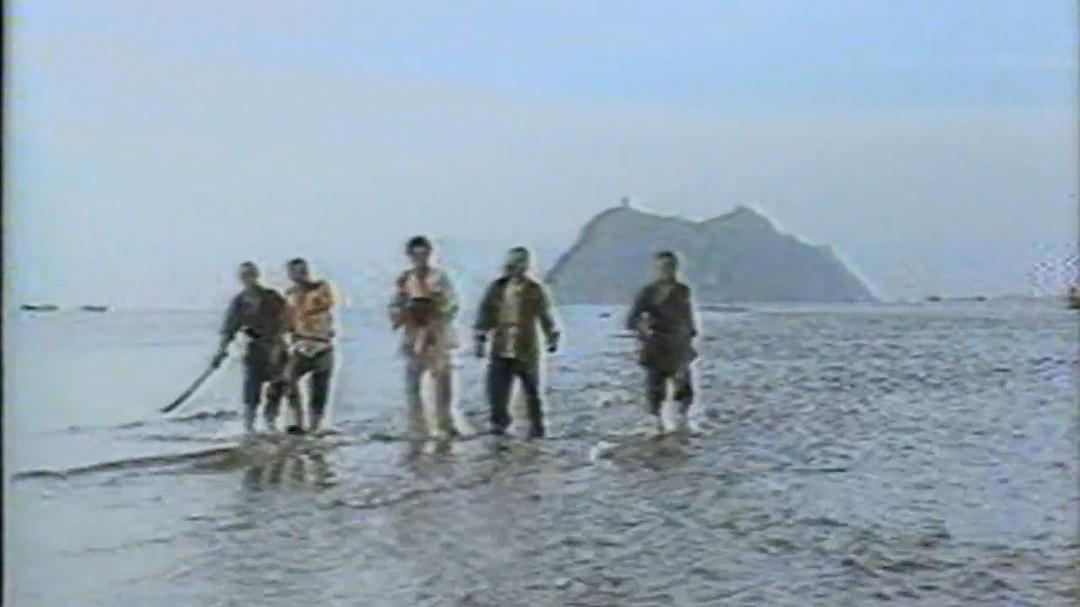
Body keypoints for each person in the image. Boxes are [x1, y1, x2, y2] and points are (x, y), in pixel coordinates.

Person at [474, 247, 560, 438]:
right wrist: (480, 338)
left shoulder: (535, 289)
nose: (514, 268)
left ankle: (537, 428)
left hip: (526, 348)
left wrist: (551, 336)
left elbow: (545, 314)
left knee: (532, 390)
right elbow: (485, 314)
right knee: (497, 390)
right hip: (501, 347)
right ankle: (499, 426)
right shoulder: (496, 288)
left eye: (519, 264)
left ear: (526, 266)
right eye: (511, 264)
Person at [388, 236, 460, 438]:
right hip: (413, 334)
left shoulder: (440, 277)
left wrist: (436, 310)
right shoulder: (404, 279)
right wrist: (403, 312)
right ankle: (418, 425)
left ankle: (446, 422)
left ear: (430, 254)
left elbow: (452, 304)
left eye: (424, 253)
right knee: (413, 383)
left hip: (437, 335)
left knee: (443, 382)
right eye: (416, 254)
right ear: (409, 255)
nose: (420, 258)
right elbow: (395, 305)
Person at [625, 250, 699, 434]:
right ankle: (658, 425)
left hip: (678, 345)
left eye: (671, 267)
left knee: (684, 388)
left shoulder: (682, 290)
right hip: (656, 344)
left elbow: (688, 317)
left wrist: (690, 337)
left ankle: (683, 423)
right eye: (664, 267)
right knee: (656, 388)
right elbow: (631, 320)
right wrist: (644, 332)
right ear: (657, 269)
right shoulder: (648, 292)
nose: (668, 270)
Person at [214, 261, 290, 435]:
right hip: (254, 350)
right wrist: (221, 352)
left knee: (276, 390)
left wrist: (280, 344)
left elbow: (286, 321)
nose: (248, 278)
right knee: (251, 392)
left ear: (257, 275)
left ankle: (272, 425)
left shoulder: (273, 296)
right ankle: (249, 429)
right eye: (244, 275)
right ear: (240, 278)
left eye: (251, 274)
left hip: (277, 348)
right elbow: (229, 329)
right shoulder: (239, 301)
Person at [282, 258, 337, 435]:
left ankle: (315, 426)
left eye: (303, 271)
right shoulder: (289, 294)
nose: (301, 275)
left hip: (322, 344)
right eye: (296, 272)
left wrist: (301, 305)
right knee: (288, 379)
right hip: (301, 345)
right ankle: (298, 421)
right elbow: (288, 319)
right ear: (290, 275)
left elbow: (324, 304)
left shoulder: (321, 287)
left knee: (319, 389)